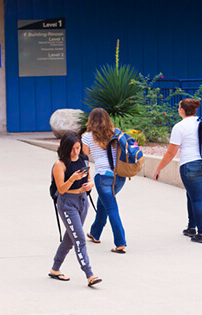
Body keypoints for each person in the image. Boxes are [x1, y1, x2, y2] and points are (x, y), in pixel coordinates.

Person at [153, 98, 202, 243]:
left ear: (181, 110)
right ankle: (191, 227)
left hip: (190, 165)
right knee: (193, 194)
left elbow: (170, 153)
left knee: (197, 197)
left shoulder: (179, 127)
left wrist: (158, 169)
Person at [49, 132, 103, 287]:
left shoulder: (83, 159)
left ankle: (55, 269)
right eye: (72, 149)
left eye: (78, 148)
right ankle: (89, 274)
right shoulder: (60, 164)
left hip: (82, 201)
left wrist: (90, 184)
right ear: (66, 148)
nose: (76, 151)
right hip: (67, 203)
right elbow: (61, 189)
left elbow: (90, 178)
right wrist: (73, 178)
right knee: (79, 239)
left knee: (70, 239)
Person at [80, 108, 128, 253]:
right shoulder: (116, 132)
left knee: (111, 208)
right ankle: (95, 233)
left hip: (103, 176)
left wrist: (86, 178)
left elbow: (85, 160)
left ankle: (121, 242)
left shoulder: (87, 137)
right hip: (119, 176)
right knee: (104, 204)